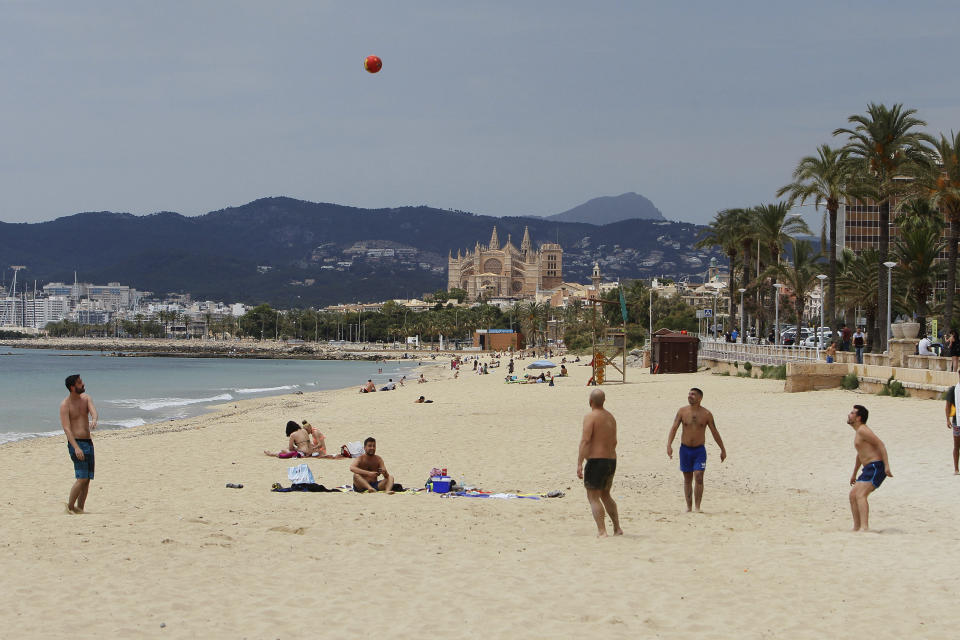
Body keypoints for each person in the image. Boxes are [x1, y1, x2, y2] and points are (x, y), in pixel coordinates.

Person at [666, 387, 727, 512]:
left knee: (699, 477)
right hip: (685, 450)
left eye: (693, 394)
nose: (690, 396)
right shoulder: (682, 411)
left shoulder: (706, 414)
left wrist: (722, 449)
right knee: (687, 478)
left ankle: (697, 507)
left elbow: (715, 432)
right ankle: (689, 507)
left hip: (699, 451)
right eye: (689, 394)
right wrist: (669, 445)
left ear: (700, 398)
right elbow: (674, 428)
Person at [576, 389, 622, 537]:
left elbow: (585, 440)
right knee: (606, 495)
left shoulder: (591, 417)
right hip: (611, 460)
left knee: (593, 497)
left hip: (596, 460)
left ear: (590, 401)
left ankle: (602, 531)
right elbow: (614, 441)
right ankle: (617, 528)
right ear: (604, 401)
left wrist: (579, 463)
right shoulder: (611, 417)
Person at [847, 404, 892, 532]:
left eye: (852, 413)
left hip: (876, 466)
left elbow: (880, 444)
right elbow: (860, 454)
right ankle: (857, 527)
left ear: (858, 418)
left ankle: (864, 527)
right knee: (853, 495)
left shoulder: (863, 430)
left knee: (861, 495)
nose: (849, 415)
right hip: (868, 468)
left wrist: (887, 466)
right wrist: (854, 473)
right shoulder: (858, 432)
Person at [60, 374, 98, 514]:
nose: (83, 384)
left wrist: (94, 419)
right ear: (72, 387)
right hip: (76, 443)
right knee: (81, 478)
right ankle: (70, 507)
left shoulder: (86, 398)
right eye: (79, 383)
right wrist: (76, 447)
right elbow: (66, 428)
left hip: (88, 442)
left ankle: (80, 508)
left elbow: (93, 411)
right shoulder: (65, 404)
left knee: (87, 478)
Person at [944, 371, 960, 474]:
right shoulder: (953, 390)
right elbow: (948, 406)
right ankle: (956, 468)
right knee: (956, 446)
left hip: (956, 420)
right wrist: (947, 419)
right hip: (956, 420)